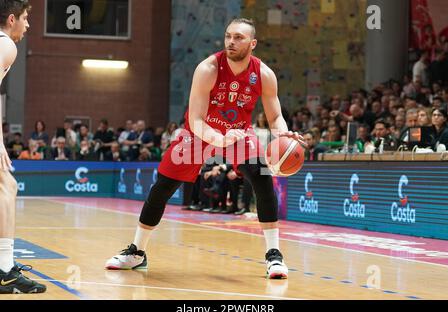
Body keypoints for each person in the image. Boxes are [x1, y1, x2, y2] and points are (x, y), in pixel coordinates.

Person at [105, 18, 305, 279]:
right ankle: (137, 252)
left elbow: (275, 116)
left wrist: (283, 135)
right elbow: (196, 119)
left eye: (238, 37)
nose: (231, 42)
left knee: (262, 176)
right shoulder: (208, 68)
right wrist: (218, 139)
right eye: (228, 36)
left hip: (239, 133)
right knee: (162, 187)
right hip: (200, 132)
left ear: (252, 43)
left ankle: (274, 255)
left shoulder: (264, 75)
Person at [0, 0, 46, 293]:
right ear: (12, 19)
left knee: (7, 185)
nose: (28, 25)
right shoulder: (6, 46)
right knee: (7, 185)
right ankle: (5, 269)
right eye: (27, 18)